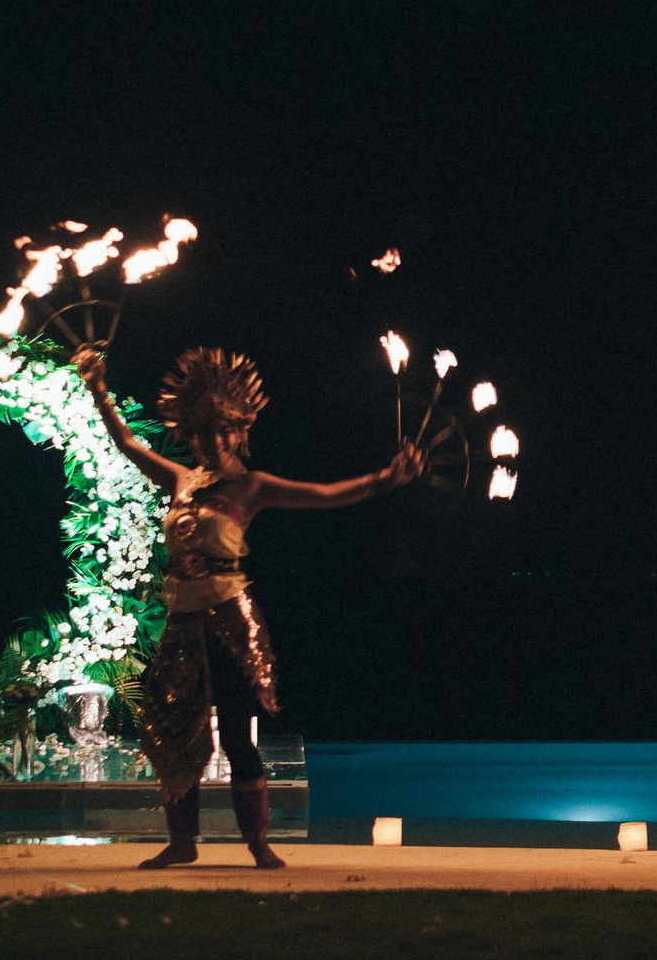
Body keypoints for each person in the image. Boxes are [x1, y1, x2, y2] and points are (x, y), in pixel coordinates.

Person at [74, 344, 423, 869]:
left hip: (229, 621)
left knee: (237, 733)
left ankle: (258, 843)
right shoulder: (181, 480)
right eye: (205, 432)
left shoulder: (253, 486)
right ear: (190, 435)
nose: (215, 441)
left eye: (225, 431)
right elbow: (125, 442)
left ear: (241, 432)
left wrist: (383, 480)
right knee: (174, 733)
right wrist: (98, 386)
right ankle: (182, 842)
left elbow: (325, 494)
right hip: (183, 623)